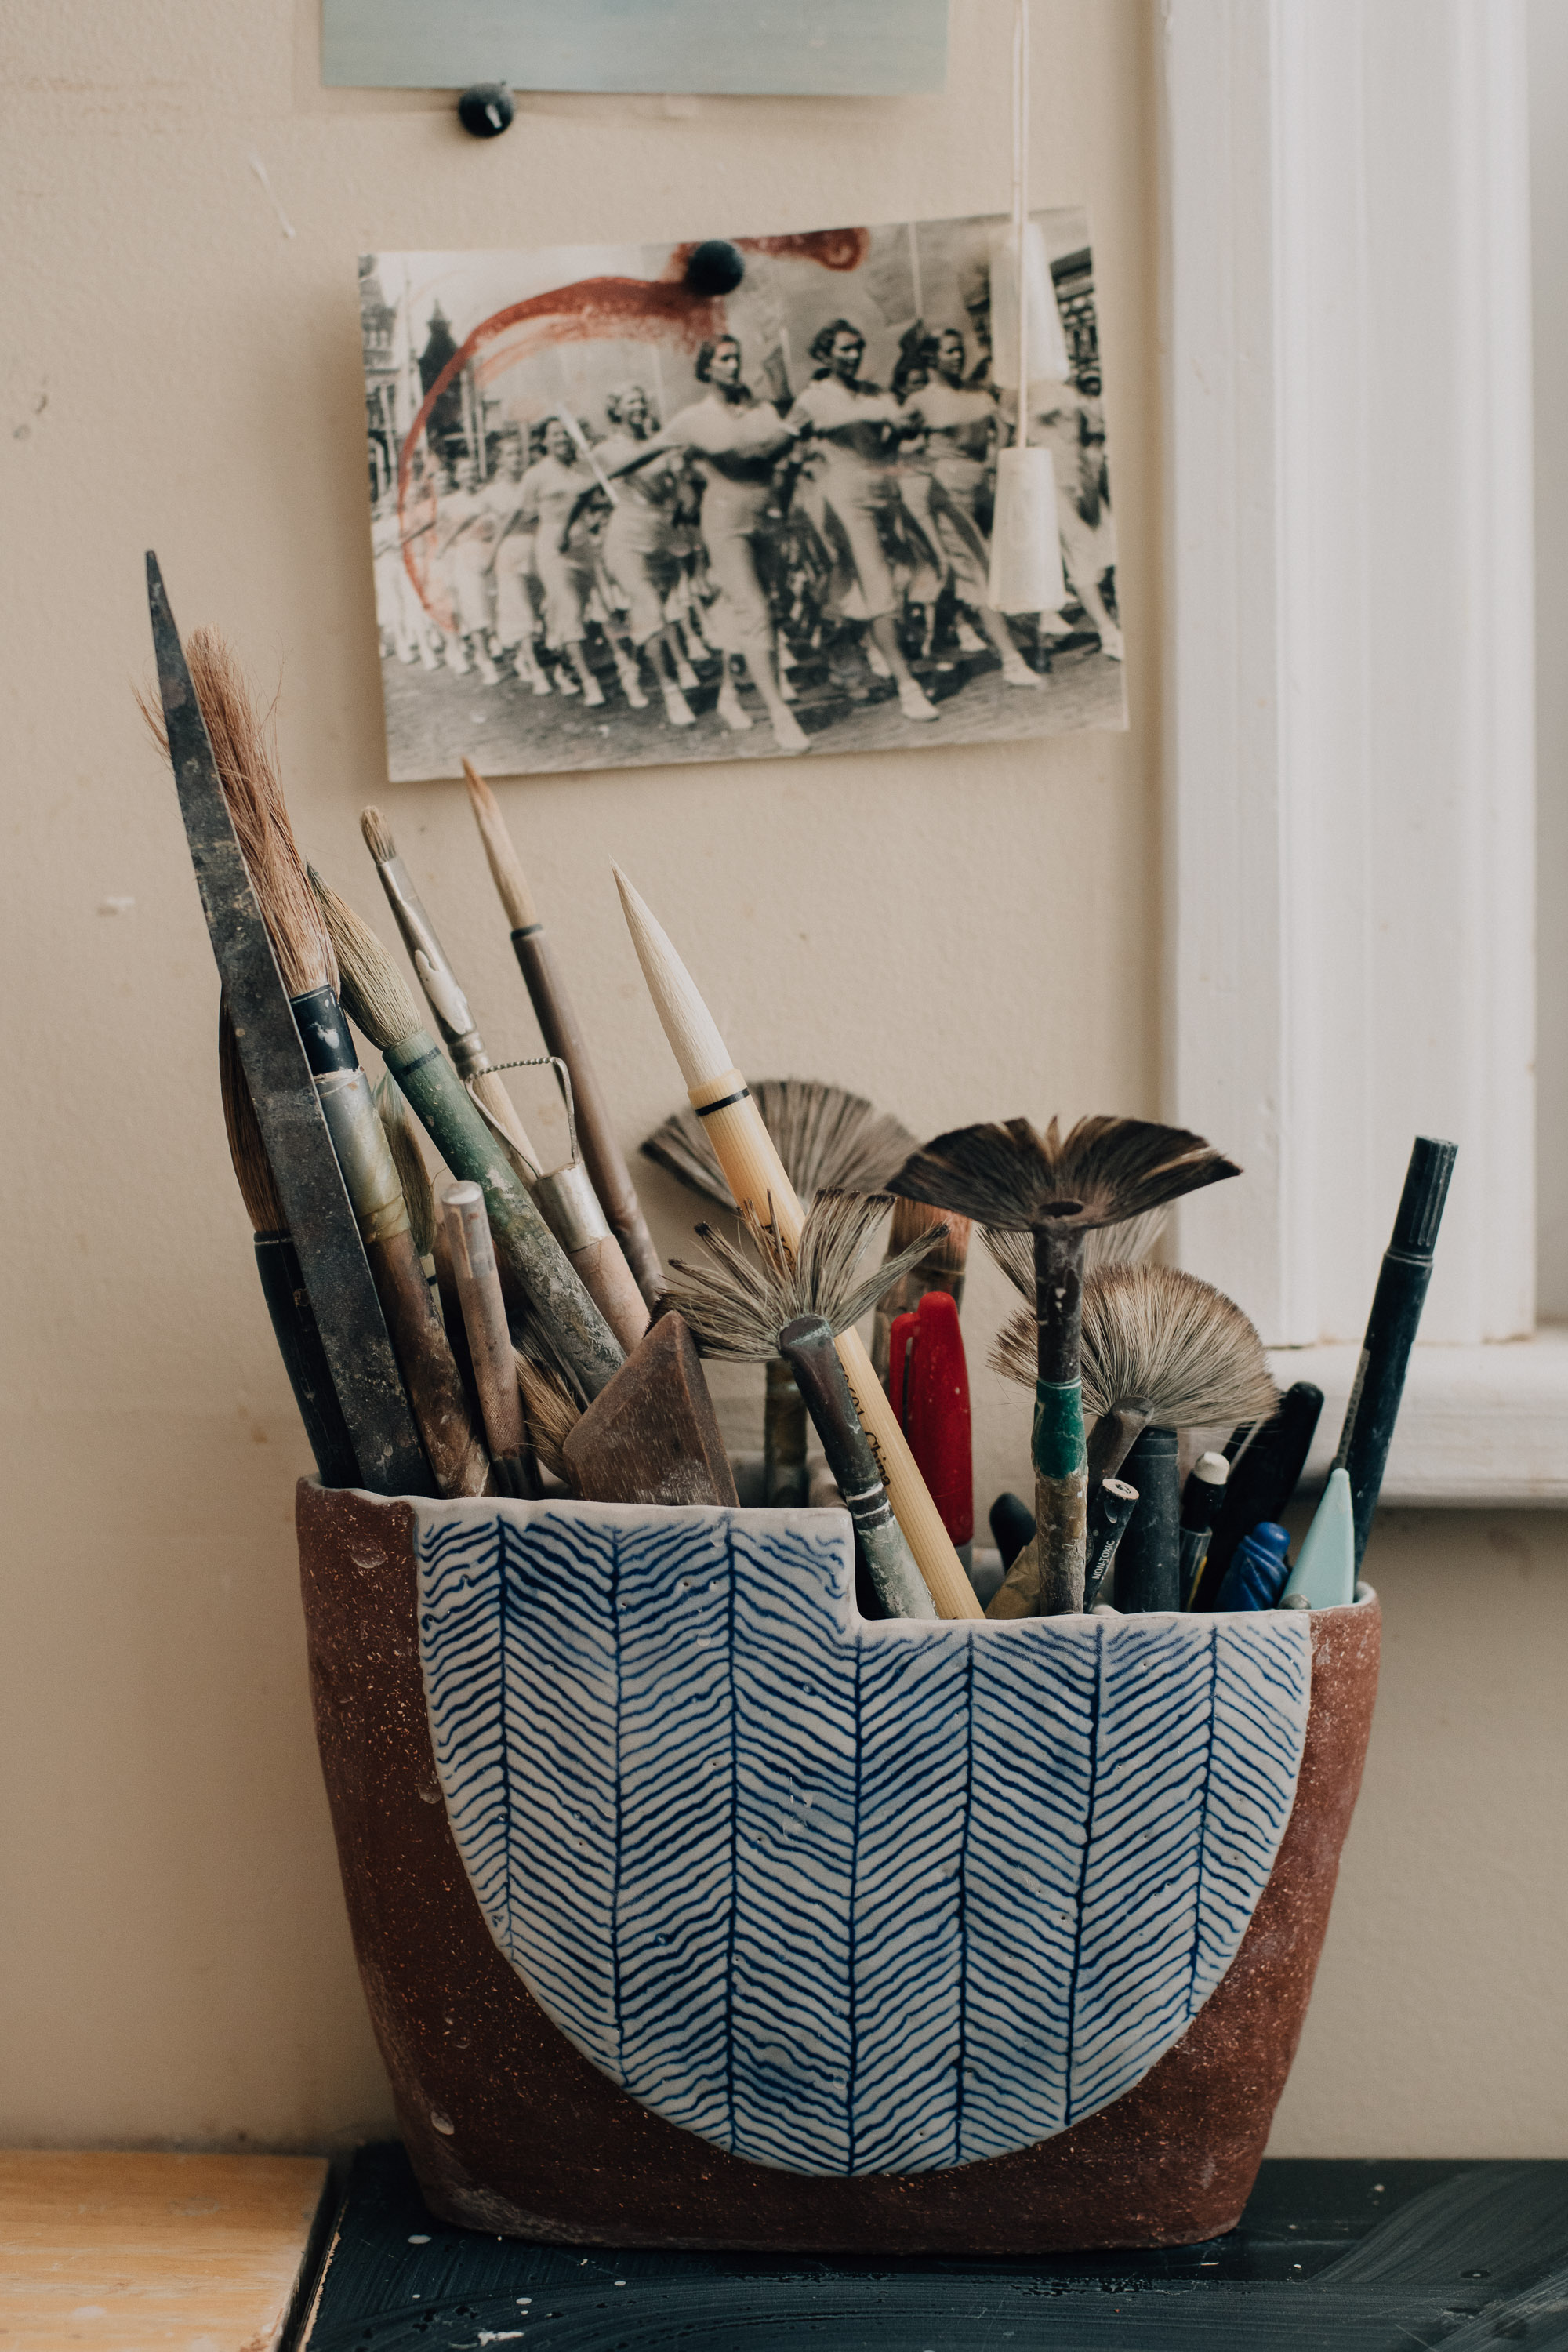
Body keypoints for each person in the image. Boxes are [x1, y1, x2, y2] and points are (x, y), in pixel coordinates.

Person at [602, 335, 808, 754]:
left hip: (764, 516)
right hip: (724, 519)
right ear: (707, 368)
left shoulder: (761, 411)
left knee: (753, 609)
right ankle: (780, 715)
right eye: (724, 359)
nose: (733, 365)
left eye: (737, 357)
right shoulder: (694, 418)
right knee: (754, 611)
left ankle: (729, 695)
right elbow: (651, 451)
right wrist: (597, 480)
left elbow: (775, 458)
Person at [787, 318, 939, 723]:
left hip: (884, 493)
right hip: (843, 500)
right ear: (825, 355)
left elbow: (889, 446)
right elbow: (785, 446)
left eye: (858, 348)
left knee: (900, 579)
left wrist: (904, 429)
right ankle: (908, 687)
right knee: (878, 586)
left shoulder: (876, 394)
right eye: (844, 349)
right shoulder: (813, 399)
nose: (853, 356)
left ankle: (846, 644)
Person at [900, 328, 1043, 688]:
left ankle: (936, 641)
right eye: (950, 351)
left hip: (986, 484)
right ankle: (1011, 659)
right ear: (931, 357)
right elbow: (896, 445)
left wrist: (996, 459)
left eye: (960, 350)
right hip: (947, 492)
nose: (959, 357)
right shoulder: (919, 401)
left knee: (993, 564)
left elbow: (1005, 429)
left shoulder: (978, 395)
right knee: (979, 569)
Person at [575, 384, 698, 728]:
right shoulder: (605, 450)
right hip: (625, 538)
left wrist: (683, 479)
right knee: (650, 610)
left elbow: (684, 496)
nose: (640, 406)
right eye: (632, 401)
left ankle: (630, 668)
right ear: (617, 410)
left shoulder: (661, 442)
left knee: (656, 617)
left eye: (642, 400)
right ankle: (671, 691)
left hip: (660, 535)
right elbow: (584, 491)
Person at [521, 416, 614, 706]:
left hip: (583, 543)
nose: (561, 439)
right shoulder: (536, 475)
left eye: (565, 434)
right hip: (554, 546)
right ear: (544, 441)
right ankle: (589, 682)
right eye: (554, 435)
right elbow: (527, 514)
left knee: (587, 609)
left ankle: (565, 666)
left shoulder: (583, 468)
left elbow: (597, 498)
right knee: (568, 609)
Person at [1029, 380, 1124, 662]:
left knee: (1111, 549)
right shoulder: (1028, 404)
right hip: (1052, 486)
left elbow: (1082, 438)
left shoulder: (1068, 396)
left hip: (1080, 478)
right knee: (1080, 555)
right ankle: (1108, 633)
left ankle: (1121, 620)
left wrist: (1088, 477)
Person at [483, 432, 551, 693]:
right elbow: (492, 526)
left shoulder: (531, 485)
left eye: (518, 454)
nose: (516, 459)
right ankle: (536, 670)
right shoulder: (492, 493)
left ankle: (535, 658)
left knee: (542, 607)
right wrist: (489, 555)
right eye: (509, 454)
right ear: (500, 460)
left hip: (536, 548)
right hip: (509, 552)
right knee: (519, 610)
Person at [434, 452, 501, 684]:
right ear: (456, 476)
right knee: (475, 609)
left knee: (496, 608)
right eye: (464, 471)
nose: (469, 474)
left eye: (472, 469)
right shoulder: (449, 504)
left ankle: (516, 656)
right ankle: (484, 660)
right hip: (465, 558)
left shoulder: (488, 497)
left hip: (492, 554)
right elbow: (439, 536)